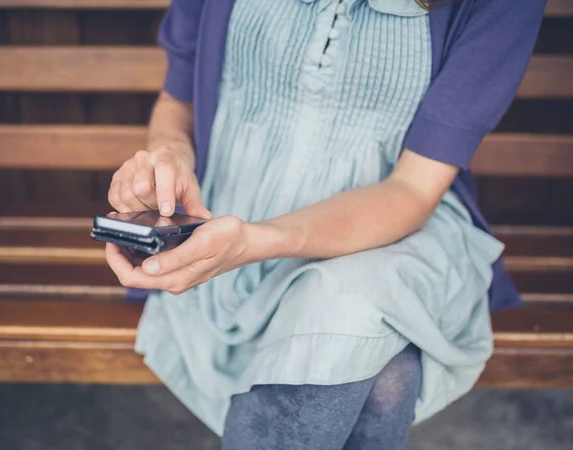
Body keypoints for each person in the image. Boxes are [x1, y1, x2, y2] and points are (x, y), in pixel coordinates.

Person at [105, 0, 546, 448]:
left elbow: (413, 189)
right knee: (386, 377)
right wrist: (170, 157)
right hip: (224, 224)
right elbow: (177, 101)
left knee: (348, 321)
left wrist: (258, 239)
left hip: (389, 230)